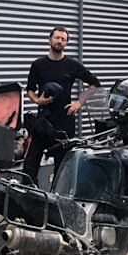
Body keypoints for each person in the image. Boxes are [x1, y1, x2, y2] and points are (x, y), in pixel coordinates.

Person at [22, 26, 101, 185]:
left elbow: (95, 84)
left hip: (64, 122)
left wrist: (79, 102)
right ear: (49, 40)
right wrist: (37, 100)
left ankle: (57, 202)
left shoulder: (72, 65)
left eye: (63, 39)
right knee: (29, 167)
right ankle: (27, 196)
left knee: (62, 168)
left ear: (66, 43)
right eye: (57, 38)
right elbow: (30, 89)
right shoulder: (38, 64)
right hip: (43, 122)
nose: (59, 41)